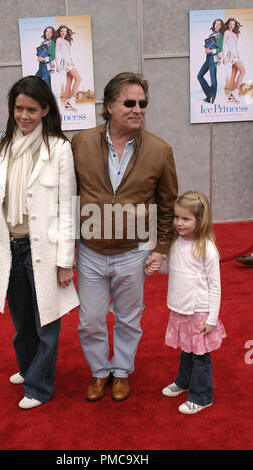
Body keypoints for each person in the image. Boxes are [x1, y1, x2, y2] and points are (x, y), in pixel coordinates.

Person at [71, 72, 178, 402]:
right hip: (89, 250)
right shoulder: (80, 143)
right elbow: (66, 196)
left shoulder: (160, 150)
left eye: (143, 103)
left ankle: (120, 372)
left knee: (129, 318)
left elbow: (169, 204)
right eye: (129, 102)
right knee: (89, 319)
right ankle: (99, 372)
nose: (138, 109)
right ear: (109, 106)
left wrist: (161, 248)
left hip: (134, 251)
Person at [0, 76, 79, 409]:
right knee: (22, 321)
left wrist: (66, 260)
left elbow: (68, 206)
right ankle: (28, 368)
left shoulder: (59, 147)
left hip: (45, 249)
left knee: (47, 322)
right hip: (10, 245)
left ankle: (39, 386)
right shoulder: (0, 143)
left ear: (46, 109)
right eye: (19, 108)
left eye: (32, 109)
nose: (24, 116)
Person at [147, 191, 226, 414]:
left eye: (185, 219)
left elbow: (216, 286)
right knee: (186, 350)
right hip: (180, 308)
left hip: (199, 311)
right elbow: (169, 269)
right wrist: (154, 264)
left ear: (200, 221)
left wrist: (211, 318)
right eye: (176, 217)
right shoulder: (175, 242)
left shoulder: (206, 249)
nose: (179, 223)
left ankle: (202, 396)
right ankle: (184, 382)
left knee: (200, 356)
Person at [197, 19, 224, 104]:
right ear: (214, 24)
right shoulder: (211, 34)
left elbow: (220, 49)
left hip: (214, 58)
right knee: (199, 75)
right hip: (208, 58)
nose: (217, 25)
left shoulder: (219, 35)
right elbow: (209, 45)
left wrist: (211, 51)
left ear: (221, 26)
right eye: (216, 24)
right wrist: (206, 49)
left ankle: (211, 97)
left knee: (213, 79)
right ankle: (210, 96)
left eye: (219, 24)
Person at [55, 25, 81, 111]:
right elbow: (56, 53)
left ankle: (67, 103)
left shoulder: (67, 41)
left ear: (67, 32)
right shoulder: (59, 40)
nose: (63, 33)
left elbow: (69, 53)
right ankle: (72, 99)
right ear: (59, 31)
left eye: (65, 31)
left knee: (69, 81)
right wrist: (57, 65)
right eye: (62, 31)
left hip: (69, 61)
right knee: (78, 79)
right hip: (65, 62)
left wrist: (71, 61)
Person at [222, 18, 246, 103]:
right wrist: (223, 57)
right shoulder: (226, 32)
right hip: (232, 54)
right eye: (230, 24)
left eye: (233, 24)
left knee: (234, 73)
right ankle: (236, 91)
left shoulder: (235, 34)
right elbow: (223, 45)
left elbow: (235, 46)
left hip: (236, 54)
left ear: (235, 25)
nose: (231, 25)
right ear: (228, 24)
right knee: (243, 71)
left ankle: (230, 95)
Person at [35, 26, 56, 91]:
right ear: (45, 32)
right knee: (35, 80)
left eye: (50, 32)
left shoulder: (52, 43)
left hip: (47, 65)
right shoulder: (43, 43)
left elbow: (53, 56)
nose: (48, 33)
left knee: (47, 84)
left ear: (52, 34)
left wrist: (44, 59)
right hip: (41, 65)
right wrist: (39, 57)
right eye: (47, 31)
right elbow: (40, 53)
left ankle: (49, 99)